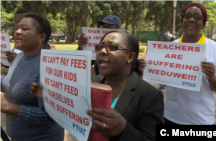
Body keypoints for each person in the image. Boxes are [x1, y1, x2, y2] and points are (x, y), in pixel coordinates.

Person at [30, 29, 164, 140]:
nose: (102, 51)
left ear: (130, 57)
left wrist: (123, 129)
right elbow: (75, 110)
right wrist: (51, 95)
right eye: (100, 46)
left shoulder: (150, 95)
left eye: (112, 47)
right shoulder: (95, 83)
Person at [161, 3, 216, 125]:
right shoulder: (171, 47)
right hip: (171, 116)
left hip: (201, 120)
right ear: (182, 20)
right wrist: (150, 70)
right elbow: (164, 81)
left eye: (197, 17)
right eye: (188, 16)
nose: (191, 19)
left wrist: (211, 77)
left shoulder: (214, 48)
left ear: (203, 23)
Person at [0, 12, 64, 140]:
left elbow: (51, 116)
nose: (17, 32)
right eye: (17, 28)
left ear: (41, 36)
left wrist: (6, 107)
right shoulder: (19, 57)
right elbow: (10, 82)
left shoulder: (49, 66)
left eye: (25, 29)